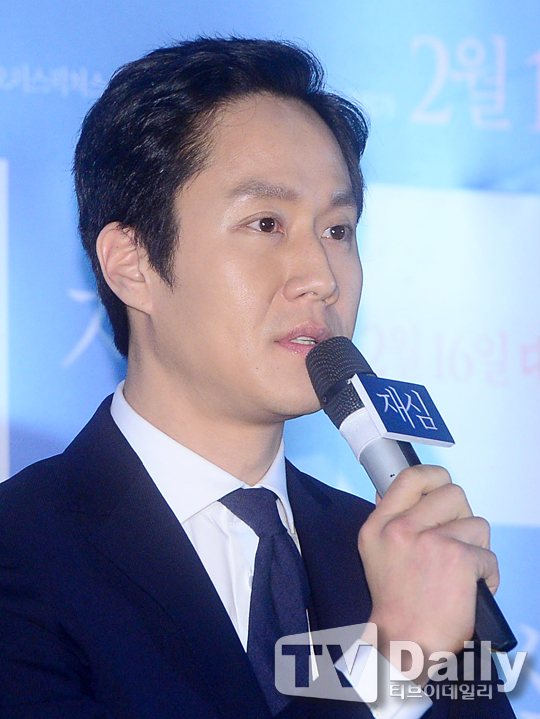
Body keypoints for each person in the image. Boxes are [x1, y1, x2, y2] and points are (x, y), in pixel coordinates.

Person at [0, 37, 515, 719]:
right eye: (266, 223)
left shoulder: (400, 560)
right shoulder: (22, 550)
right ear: (132, 263)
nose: (321, 277)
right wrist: (392, 663)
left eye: (338, 230)